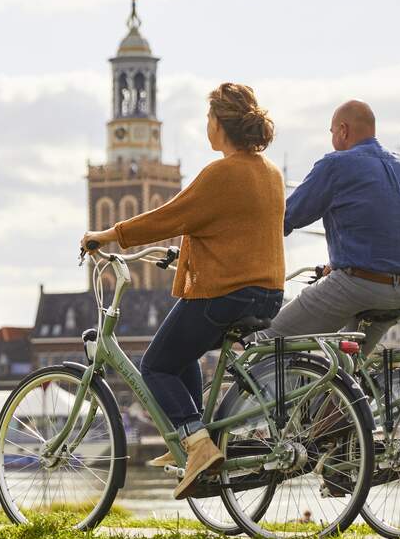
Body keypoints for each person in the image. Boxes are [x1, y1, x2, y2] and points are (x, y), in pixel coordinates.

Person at [82, 82, 285, 499]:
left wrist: (108, 235)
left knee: (156, 365)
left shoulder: (221, 173)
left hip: (225, 293)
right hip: (268, 294)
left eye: (209, 118)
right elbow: (235, 230)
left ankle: (196, 442)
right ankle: (194, 438)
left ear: (221, 124)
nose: (206, 125)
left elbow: (170, 216)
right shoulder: (270, 172)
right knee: (183, 354)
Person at [269, 100, 400, 351]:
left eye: (332, 132)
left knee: (269, 339)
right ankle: (350, 377)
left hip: (359, 286)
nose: (332, 139)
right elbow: (379, 228)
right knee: (346, 363)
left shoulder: (336, 164)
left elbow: (286, 218)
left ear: (343, 130)